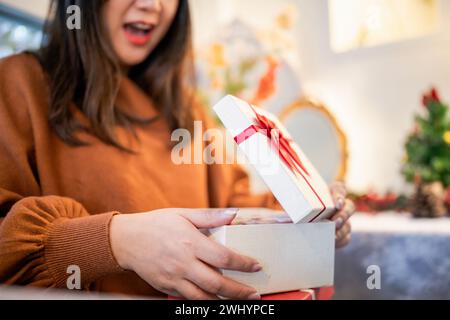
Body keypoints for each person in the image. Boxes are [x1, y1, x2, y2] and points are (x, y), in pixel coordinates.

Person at [0, 0, 354, 300]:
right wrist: (117, 241)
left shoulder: (185, 109)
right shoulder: (18, 84)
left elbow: (235, 206)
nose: (153, 5)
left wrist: (309, 216)